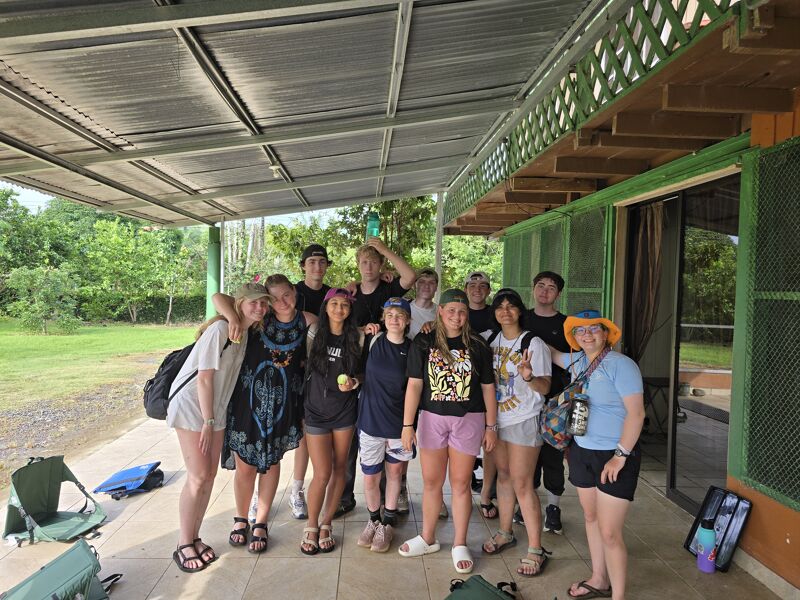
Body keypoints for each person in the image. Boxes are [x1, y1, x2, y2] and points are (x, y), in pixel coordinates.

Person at [166, 282, 270, 572]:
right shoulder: (220, 330)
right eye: (253, 302)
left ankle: (195, 537)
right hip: (194, 407)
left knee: (209, 475)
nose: (259, 308)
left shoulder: (245, 332)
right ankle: (183, 543)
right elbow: (204, 378)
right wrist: (208, 421)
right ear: (240, 303)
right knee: (198, 476)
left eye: (263, 303)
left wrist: (214, 417)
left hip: (216, 409)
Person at [213, 275, 317, 554]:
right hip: (247, 403)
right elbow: (219, 298)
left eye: (287, 295)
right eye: (276, 298)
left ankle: (260, 522)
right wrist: (232, 319)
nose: (283, 302)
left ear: (294, 292)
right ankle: (240, 517)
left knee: (271, 463)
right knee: (245, 465)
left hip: (284, 405)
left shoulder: (308, 321)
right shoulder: (259, 319)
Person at [398, 289, 497, 574]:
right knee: (431, 481)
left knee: (461, 483)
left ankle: (459, 542)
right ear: (440, 311)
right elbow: (415, 385)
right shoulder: (425, 341)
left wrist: (491, 426)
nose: (457, 316)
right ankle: (428, 538)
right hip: (432, 418)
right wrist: (408, 425)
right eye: (451, 310)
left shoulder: (477, 345)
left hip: (469, 419)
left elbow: (488, 388)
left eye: (462, 311)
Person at [550, 310, 645, 600]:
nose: (587, 334)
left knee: (610, 532)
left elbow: (637, 414)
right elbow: (552, 353)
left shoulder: (621, 365)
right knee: (591, 518)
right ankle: (599, 578)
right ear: (575, 338)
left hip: (615, 455)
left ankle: (618, 596)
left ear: (606, 334)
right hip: (581, 451)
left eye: (594, 329)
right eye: (580, 331)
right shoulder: (577, 361)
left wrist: (621, 454)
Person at [337, 237, 416, 517]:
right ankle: (345, 497)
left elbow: (411, 276)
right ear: (358, 265)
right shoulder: (351, 293)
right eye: (364, 261)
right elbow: (340, 324)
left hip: (385, 372)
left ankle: (388, 504)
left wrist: (383, 248)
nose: (368, 266)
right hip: (356, 369)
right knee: (353, 443)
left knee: (388, 441)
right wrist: (363, 330)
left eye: (373, 261)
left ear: (381, 264)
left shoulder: (389, 287)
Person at [479, 288, 553, 577]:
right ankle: (505, 532)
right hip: (497, 420)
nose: (505, 311)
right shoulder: (490, 340)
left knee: (523, 483)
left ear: (520, 311)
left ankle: (536, 549)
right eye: (500, 306)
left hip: (524, 419)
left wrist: (529, 376)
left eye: (511, 306)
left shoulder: (533, 344)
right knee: (505, 477)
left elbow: (545, 387)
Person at [301, 288, 365, 555]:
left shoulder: (358, 336)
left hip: (344, 411)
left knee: (341, 468)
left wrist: (355, 382)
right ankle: (311, 524)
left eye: (345, 304)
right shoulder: (314, 332)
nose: (339, 309)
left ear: (350, 309)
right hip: (315, 410)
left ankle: (327, 523)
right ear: (326, 307)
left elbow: (363, 370)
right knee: (322, 473)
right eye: (334, 304)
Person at [356, 297, 414, 553]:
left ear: (408, 321)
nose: (394, 319)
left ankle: (388, 522)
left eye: (400, 315)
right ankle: (373, 520)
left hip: (399, 426)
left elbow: (415, 387)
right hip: (370, 422)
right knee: (370, 478)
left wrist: (410, 425)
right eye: (389, 314)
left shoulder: (413, 349)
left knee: (394, 474)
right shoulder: (373, 340)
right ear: (383, 318)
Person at [517, 271, 570, 534]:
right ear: (533, 289)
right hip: (523, 402)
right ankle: (526, 503)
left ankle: (553, 506)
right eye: (541, 286)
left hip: (555, 402)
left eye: (551, 288)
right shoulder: (522, 317)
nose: (545, 291)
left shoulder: (567, 324)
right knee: (527, 456)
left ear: (558, 294)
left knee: (552, 456)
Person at [289, 244, 333, 521]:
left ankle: (297, 490)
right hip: (290, 370)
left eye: (322, 261)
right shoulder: (291, 293)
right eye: (312, 261)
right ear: (303, 265)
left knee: (307, 434)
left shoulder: (332, 294)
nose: (317, 266)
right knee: (276, 434)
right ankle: (260, 496)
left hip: (320, 375)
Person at [409, 267, 438, 339]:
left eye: (431, 282)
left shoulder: (441, 313)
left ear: (436, 287)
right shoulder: (404, 308)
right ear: (415, 285)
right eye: (422, 282)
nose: (426, 286)